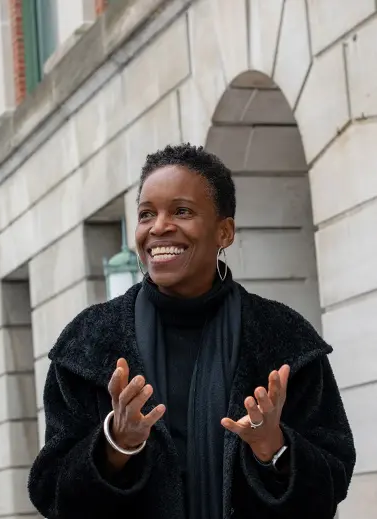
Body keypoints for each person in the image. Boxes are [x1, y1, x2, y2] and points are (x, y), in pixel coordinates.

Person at [27, 143, 356, 519]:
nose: (159, 227)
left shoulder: (284, 338)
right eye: (146, 214)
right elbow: (50, 494)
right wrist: (115, 445)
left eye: (181, 211)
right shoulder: (87, 343)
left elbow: (332, 485)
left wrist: (275, 448)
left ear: (224, 232)